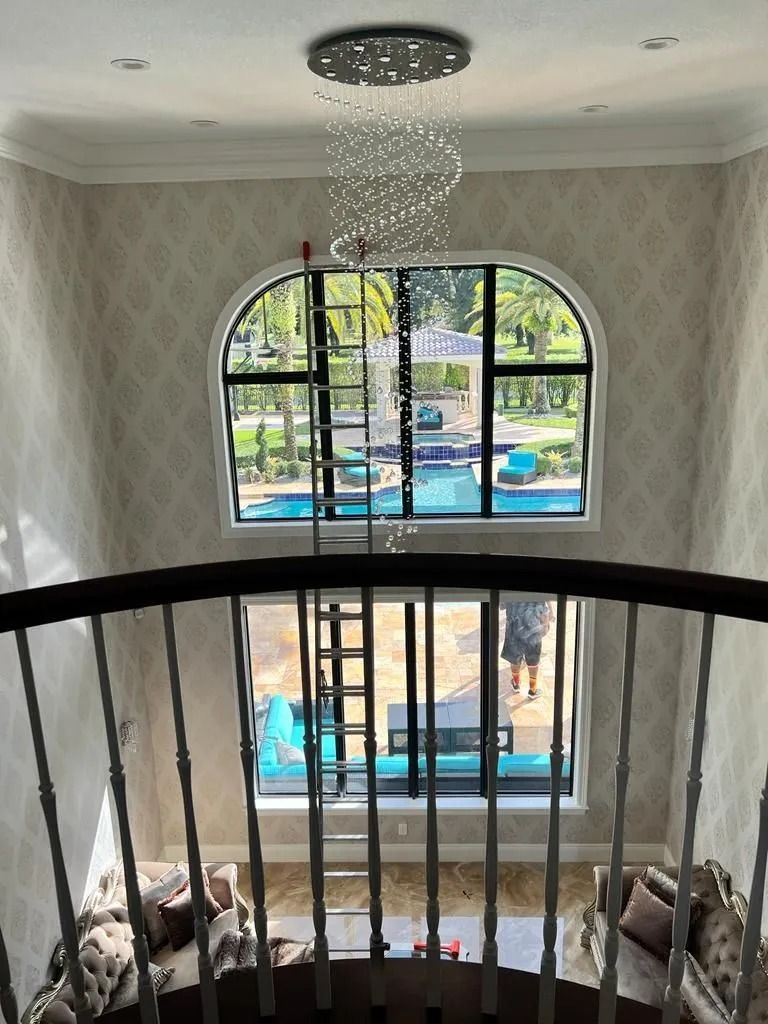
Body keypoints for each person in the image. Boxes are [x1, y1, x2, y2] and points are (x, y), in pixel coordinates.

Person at [501, 601, 554, 700]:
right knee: (533, 658)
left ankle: (516, 683)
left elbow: (502, 603)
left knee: (515, 656)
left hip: (514, 625)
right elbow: (545, 598)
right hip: (533, 625)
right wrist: (550, 611)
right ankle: (532, 689)